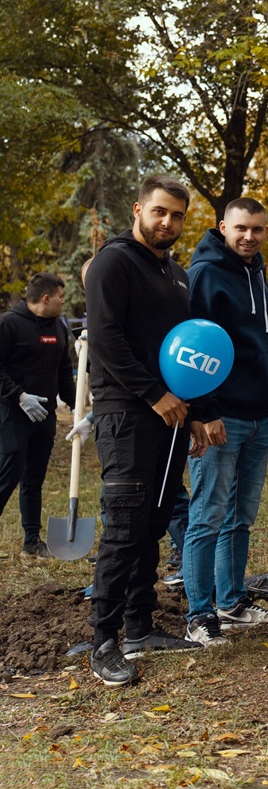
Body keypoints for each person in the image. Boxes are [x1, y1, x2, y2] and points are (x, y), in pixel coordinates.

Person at [83, 175, 210, 686]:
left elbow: (185, 354)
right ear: (138, 209)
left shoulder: (177, 275)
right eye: (160, 212)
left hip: (171, 415)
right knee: (124, 525)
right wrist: (153, 395)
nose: (169, 223)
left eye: (178, 215)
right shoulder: (114, 262)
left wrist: (194, 411)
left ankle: (139, 625)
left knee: (155, 521)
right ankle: (104, 642)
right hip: (127, 414)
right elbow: (107, 340)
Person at [181, 198, 268, 647]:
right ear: (223, 226)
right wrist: (205, 413)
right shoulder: (205, 274)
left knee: (240, 518)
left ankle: (232, 601)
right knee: (207, 516)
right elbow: (192, 348)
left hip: (257, 415)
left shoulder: (257, 272)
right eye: (241, 228)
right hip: (220, 417)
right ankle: (199, 616)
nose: (249, 237)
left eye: (258, 230)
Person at [0, 272, 75, 558]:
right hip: (14, 412)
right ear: (46, 298)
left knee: (34, 479)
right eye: (60, 296)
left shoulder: (57, 326)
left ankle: (31, 540)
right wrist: (18, 395)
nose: (63, 301)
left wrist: (73, 405)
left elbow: (63, 369)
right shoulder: (9, 324)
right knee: (8, 473)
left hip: (45, 415)